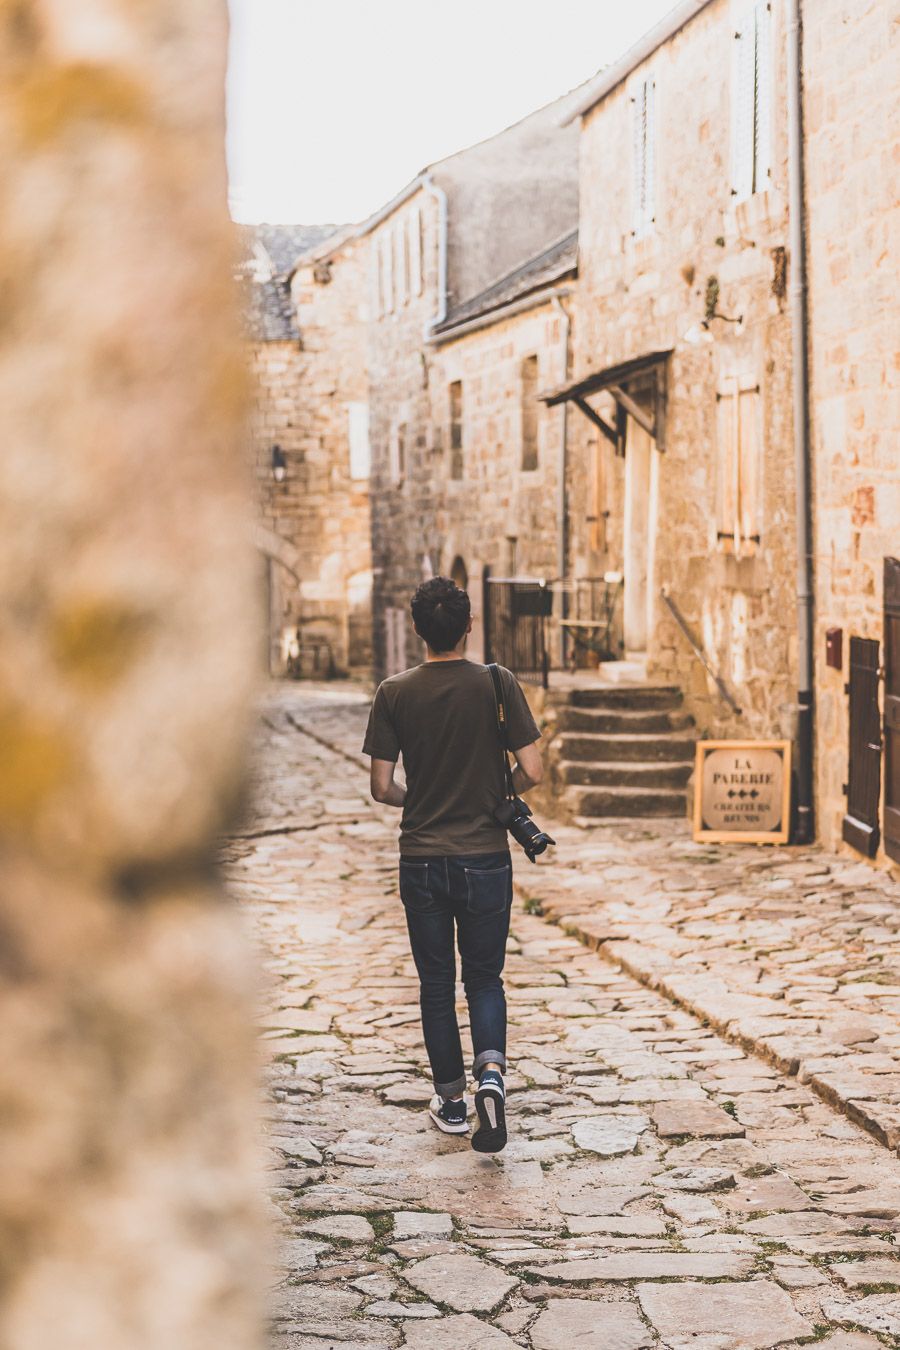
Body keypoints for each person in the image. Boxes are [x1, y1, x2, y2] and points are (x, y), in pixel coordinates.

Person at [362, 576, 543, 1153]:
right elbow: (534, 770)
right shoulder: (497, 683)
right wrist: (498, 798)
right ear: (469, 625)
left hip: (422, 859)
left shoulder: (394, 692)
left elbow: (381, 786)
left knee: (436, 985)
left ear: (417, 629)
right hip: (485, 857)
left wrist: (420, 798)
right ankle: (491, 1075)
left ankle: (453, 1102)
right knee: (485, 978)